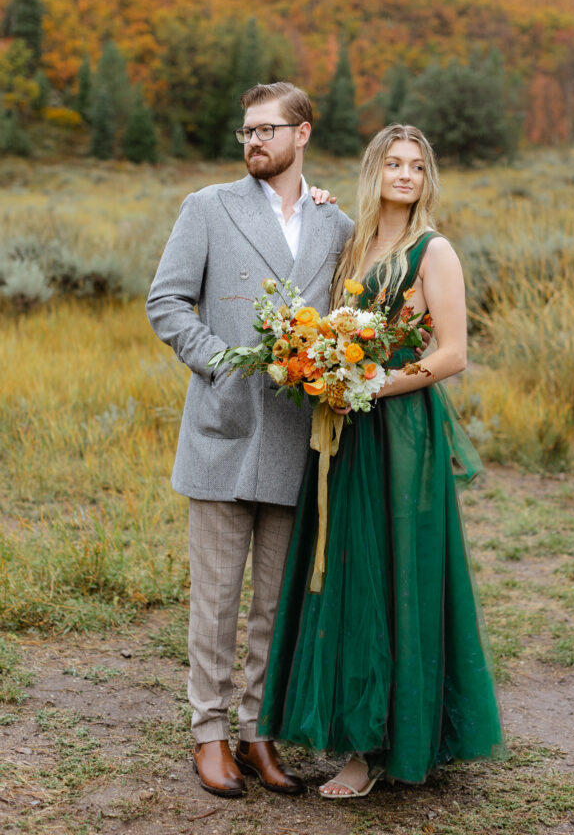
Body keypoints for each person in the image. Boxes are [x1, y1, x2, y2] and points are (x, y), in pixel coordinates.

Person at [259, 123, 505, 797]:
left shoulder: (434, 251)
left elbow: (453, 352)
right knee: (345, 572)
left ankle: (379, 747)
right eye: (392, 164)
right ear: (375, 172)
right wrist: (319, 371)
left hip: (398, 431)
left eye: (416, 166)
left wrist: (371, 384)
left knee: (391, 572)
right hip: (343, 432)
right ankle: (354, 726)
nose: (404, 175)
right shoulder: (352, 245)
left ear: (427, 179)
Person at [146, 82, 353, 798]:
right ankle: (209, 735)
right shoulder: (208, 208)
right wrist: (218, 364)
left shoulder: (337, 226)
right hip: (222, 429)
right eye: (244, 133)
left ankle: (259, 730)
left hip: (299, 441)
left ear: (301, 135)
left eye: (266, 130)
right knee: (214, 601)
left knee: (274, 602)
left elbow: (346, 320)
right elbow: (166, 301)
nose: (252, 142)